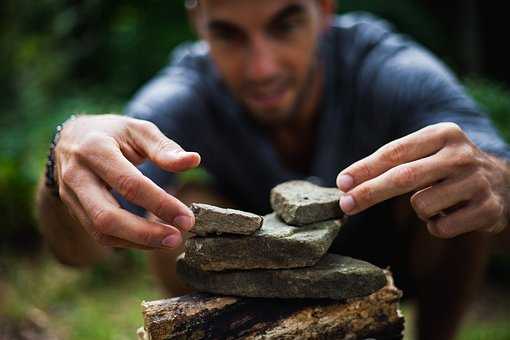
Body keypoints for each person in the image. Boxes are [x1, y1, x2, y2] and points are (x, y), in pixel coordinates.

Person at [36, 1, 510, 339]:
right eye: (229, 34)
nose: (261, 68)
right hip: (249, 287)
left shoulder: (390, 69)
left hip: (392, 261)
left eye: (284, 25)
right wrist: (64, 161)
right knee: (177, 205)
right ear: (198, 22)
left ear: (324, 10)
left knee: (458, 179)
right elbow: (76, 252)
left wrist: (501, 184)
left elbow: (494, 179)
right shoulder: (180, 99)